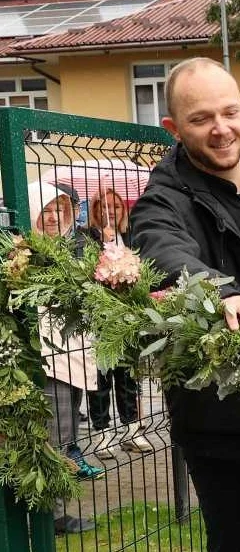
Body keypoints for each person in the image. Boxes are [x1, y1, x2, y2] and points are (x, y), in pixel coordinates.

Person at [130, 57, 240, 552]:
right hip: (220, 419)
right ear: (172, 128)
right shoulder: (162, 201)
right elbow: (164, 252)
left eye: (230, 112)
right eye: (200, 118)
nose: (221, 129)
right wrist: (226, 296)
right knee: (233, 542)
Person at [29, 182, 103, 534]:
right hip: (48, 358)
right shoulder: (26, 254)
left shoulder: (76, 248)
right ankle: (52, 516)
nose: (56, 217)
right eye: (47, 210)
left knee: (67, 433)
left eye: (62, 210)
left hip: (75, 356)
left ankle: (54, 510)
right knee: (54, 437)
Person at [84, 188, 155, 459]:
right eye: (104, 206)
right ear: (95, 210)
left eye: (115, 206)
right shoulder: (87, 238)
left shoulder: (130, 236)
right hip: (98, 320)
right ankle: (102, 435)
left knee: (128, 375)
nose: (110, 211)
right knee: (101, 378)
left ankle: (132, 430)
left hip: (126, 316)